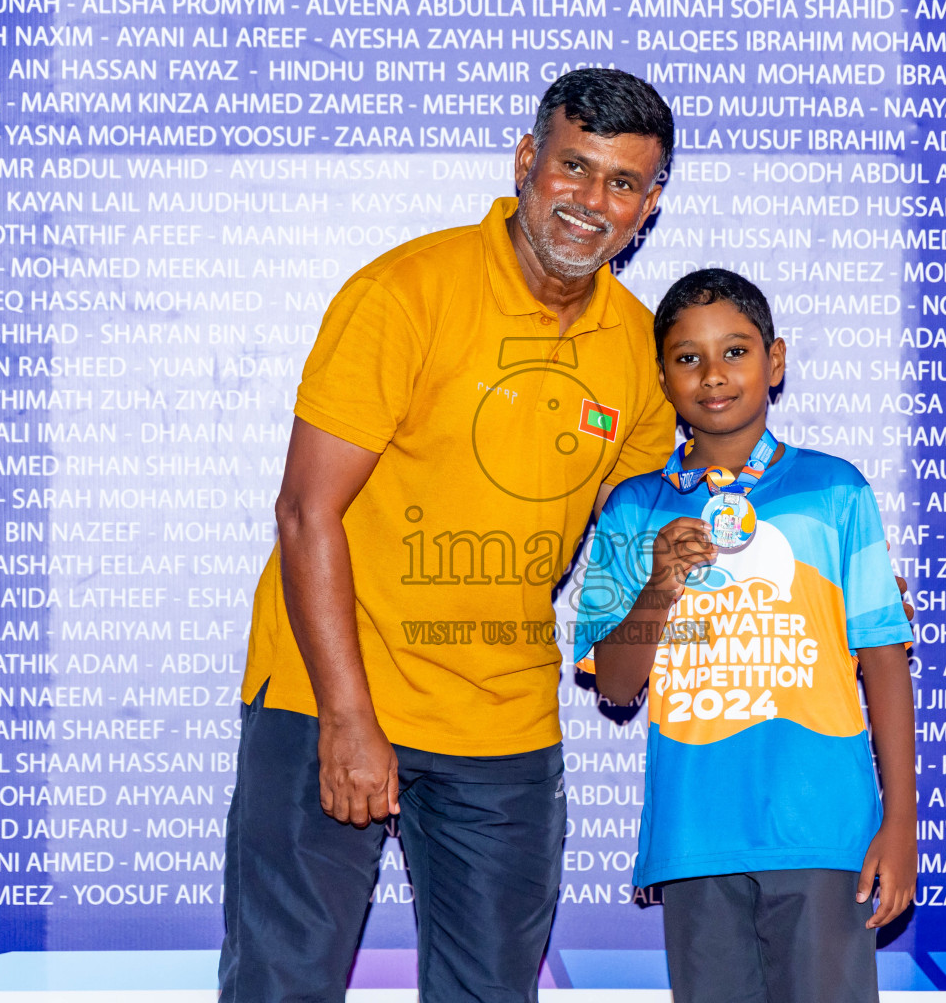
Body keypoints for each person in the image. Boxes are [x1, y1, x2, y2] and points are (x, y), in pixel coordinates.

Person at [218, 69, 680, 1003]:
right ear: (526, 162)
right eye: (575, 168)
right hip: (331, 693)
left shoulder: (640, 349)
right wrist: (349, 720)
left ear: (650, 204)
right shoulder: (406, 292)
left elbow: (643, 543)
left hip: (501, 721)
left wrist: (814, 590)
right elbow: (307, 511)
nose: (593, 202)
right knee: (282, 985)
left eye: (623, 183)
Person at [573, 268, 917, 1003]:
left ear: (776, 361)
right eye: (687, 357)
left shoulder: (836, 490)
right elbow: (616, 684)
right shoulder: (635, 507)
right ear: (662, 377)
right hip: (697, 837)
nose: (713, 375)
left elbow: (885, 660)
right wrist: (658, 585)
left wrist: (901, 823)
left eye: (735, 351)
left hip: (825, 833)